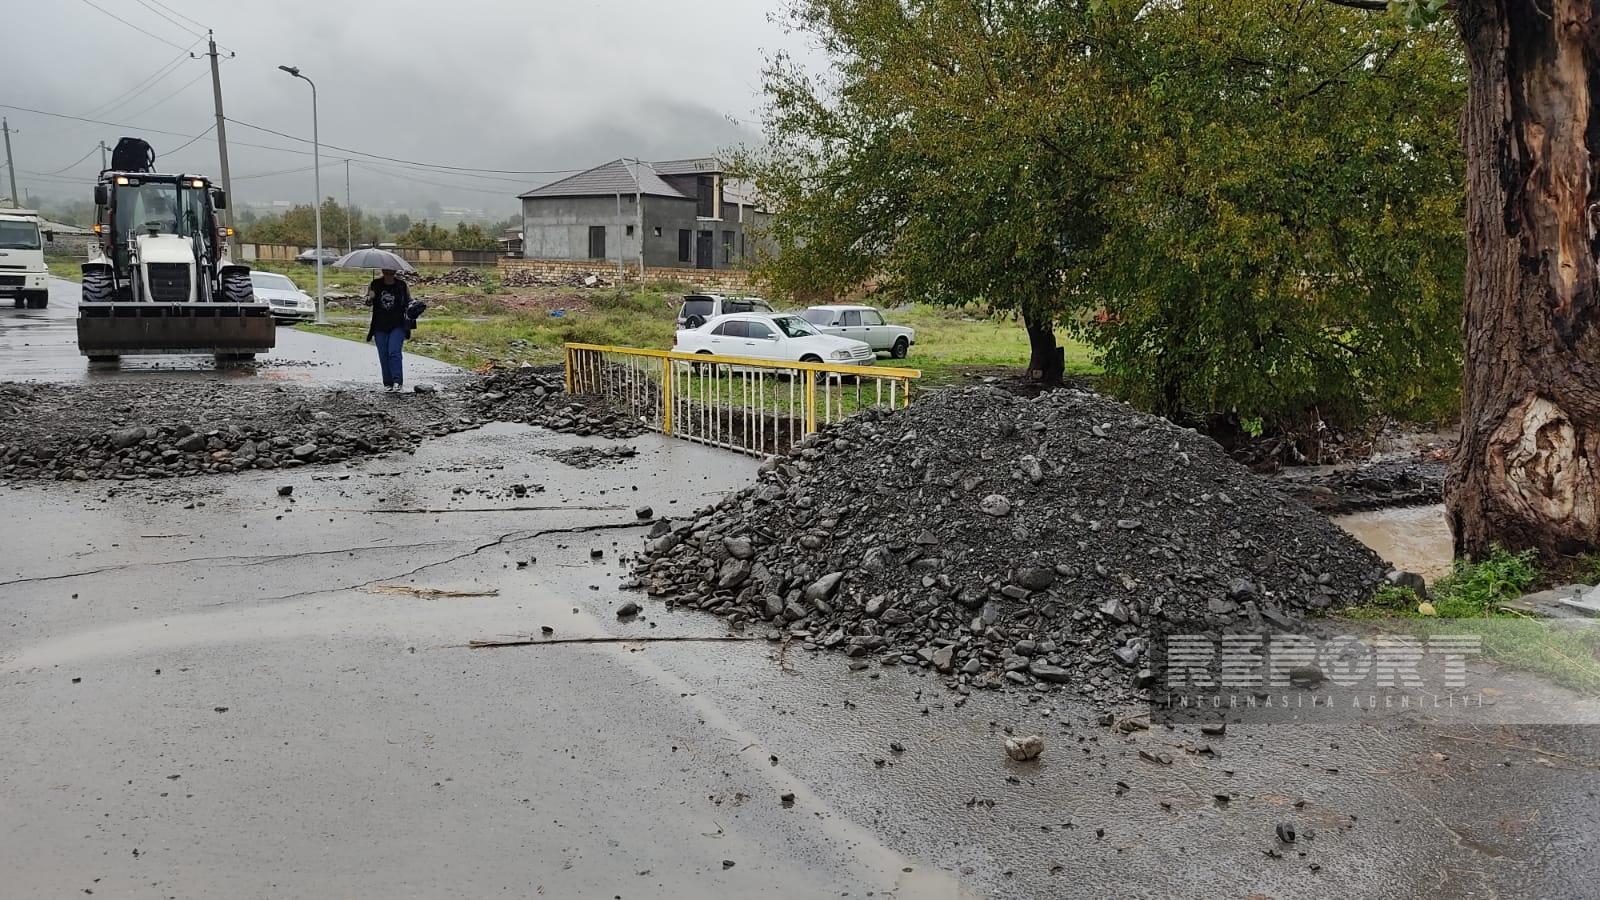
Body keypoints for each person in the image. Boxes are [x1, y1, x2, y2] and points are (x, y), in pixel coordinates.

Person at [365, 269, 411, 391]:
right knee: (383, 354)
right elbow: (367, 302)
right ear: (383, 271)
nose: (389, 273)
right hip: (379, 325)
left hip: (398, 324)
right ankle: (388, 383)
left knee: (394, 352)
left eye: (391, 271)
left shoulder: (401, 285)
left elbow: (409, 301)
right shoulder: (375, 284)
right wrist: (370, 297)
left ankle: (397, 381)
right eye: (386, 271)